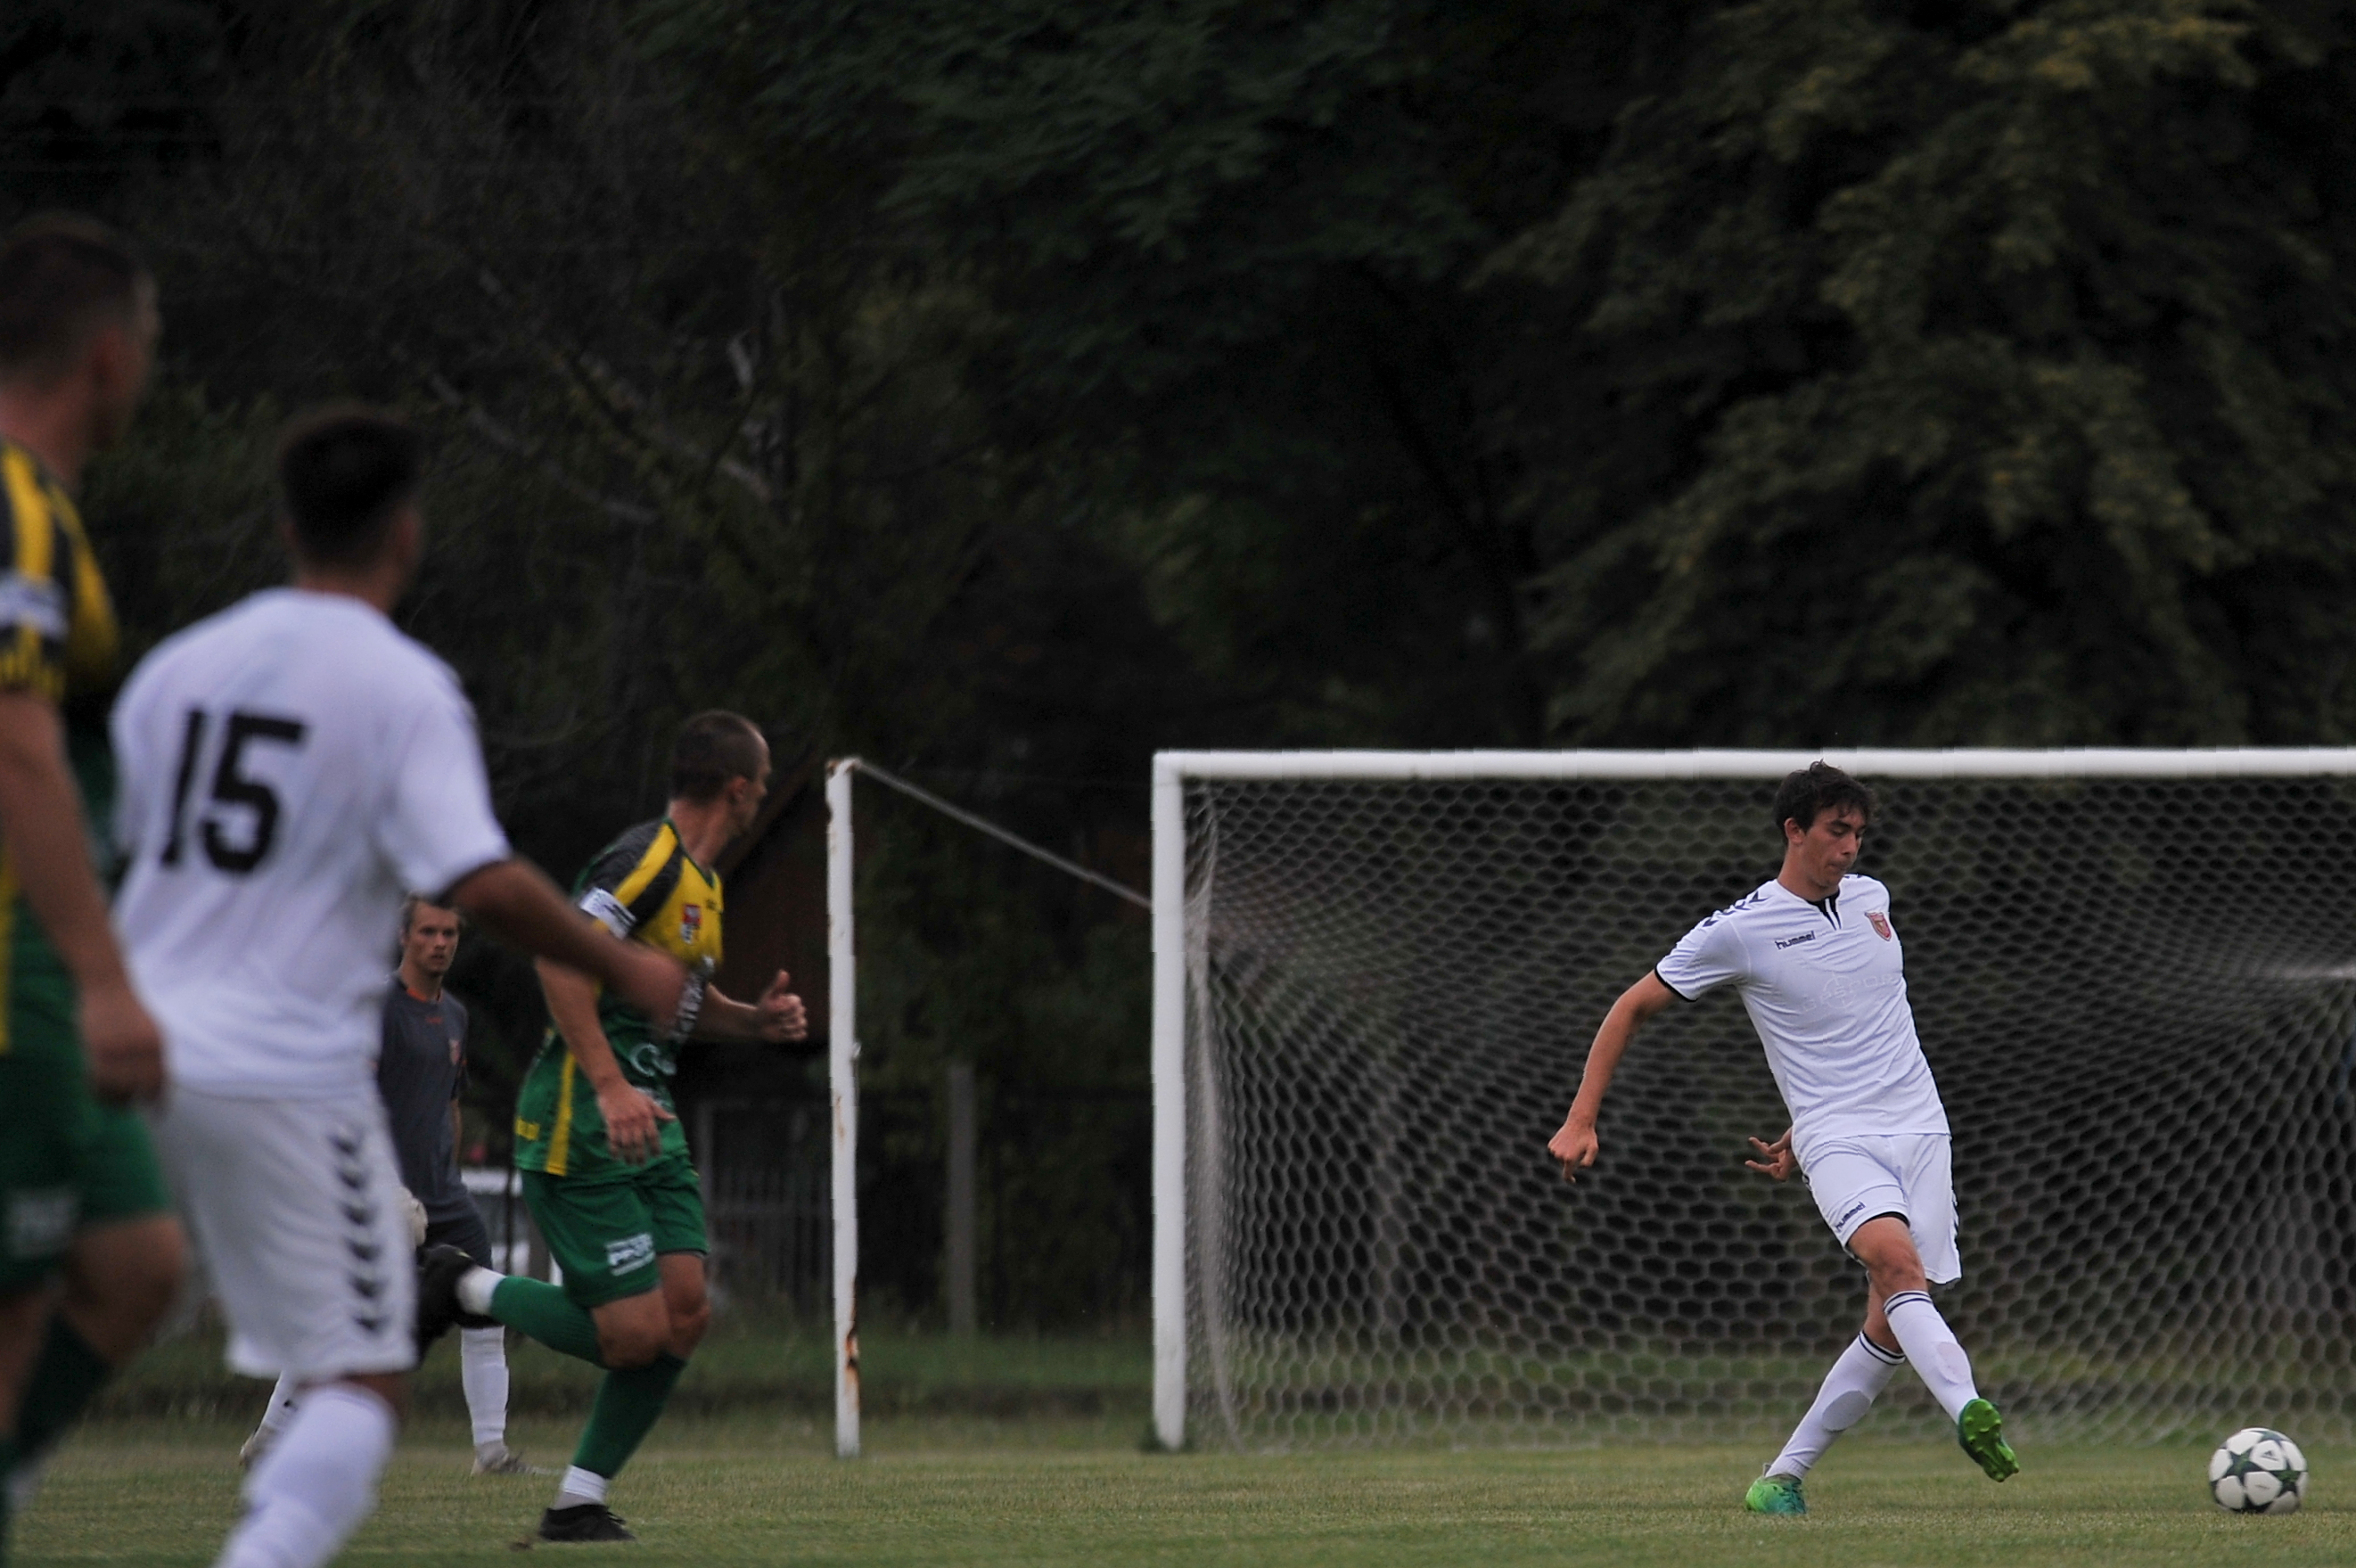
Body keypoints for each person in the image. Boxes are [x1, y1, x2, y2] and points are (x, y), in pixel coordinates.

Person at [110, 406, 692, 1568]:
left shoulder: (175, 672)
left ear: (286, 528)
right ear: (408, 533)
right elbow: (479, 877)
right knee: (369, 1364)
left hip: (137, 1049)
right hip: (280, 1068)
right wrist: (620, 959)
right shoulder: (400, 686)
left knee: (80, 1308)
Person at [1546, 761, 2016, 1515]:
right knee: (1897, 1266)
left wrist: (1797, 1123)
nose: (1849, 847)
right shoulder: (1740, 929)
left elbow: (1858, 1022)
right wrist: (1580, 1118)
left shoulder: (1871, 898)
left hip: (1921, 1124)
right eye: (1836, 830)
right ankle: (1967, 1407)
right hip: (1838, 1136)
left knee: (1891, 1321)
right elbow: (1630, 1006)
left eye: (1858, 833)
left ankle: (1780, 1479)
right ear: (1794, 830)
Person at [419, 710, 807, 1544]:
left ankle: (576, 1503)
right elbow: (561, 959)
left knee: (686, 1312)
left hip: (648, 1122)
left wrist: (751, 1021)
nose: (764, 795)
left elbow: (678, 1000)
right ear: (739, 789)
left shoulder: (703, 882)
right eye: (764, 781)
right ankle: (461, 1286)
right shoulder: (643, 861)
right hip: (583, 1119)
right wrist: (608, 1085)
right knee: (633, 1335)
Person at [0, 215, 189, 1550]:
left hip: (42, 968)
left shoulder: (44, 508)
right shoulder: (15, 505)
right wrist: (106, 976)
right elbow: (16, 743)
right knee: (16, 1304)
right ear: (109, 357)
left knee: (135, 1261)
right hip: (19, 970)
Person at [241, 896, 529, 1475]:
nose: (440, 943)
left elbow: (450, 1103)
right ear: (403, 937)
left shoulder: (455, 1015)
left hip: (443, 1195)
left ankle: (492, 1453)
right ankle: (270, 1436)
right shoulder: (375, 1007)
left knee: (485, 1304)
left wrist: (447, 1170)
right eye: (428, 932)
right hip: (381, 1194)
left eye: (449, 933)